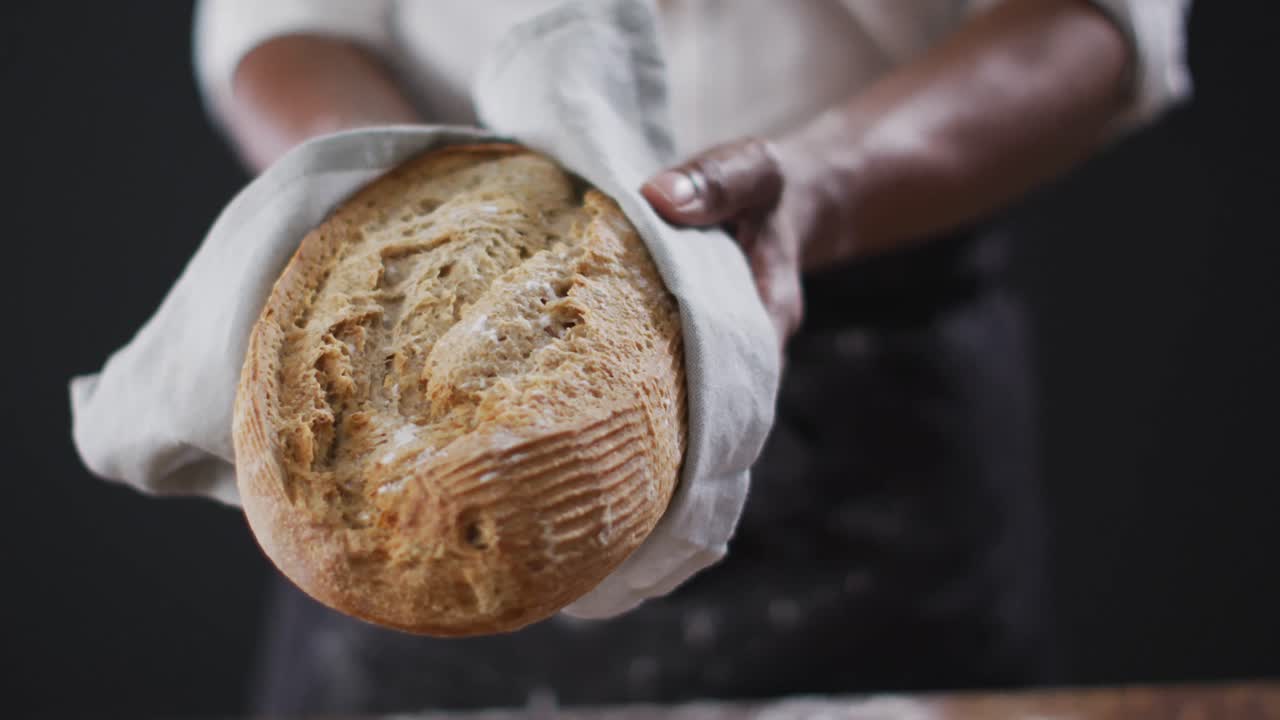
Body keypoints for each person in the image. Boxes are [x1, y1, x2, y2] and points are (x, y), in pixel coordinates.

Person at [194, 0, 1191, 714]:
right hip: (431, 320)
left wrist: (822, 185)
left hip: (858, 315)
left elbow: (1094, 20)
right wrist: (380, 177)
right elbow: (283, 25)